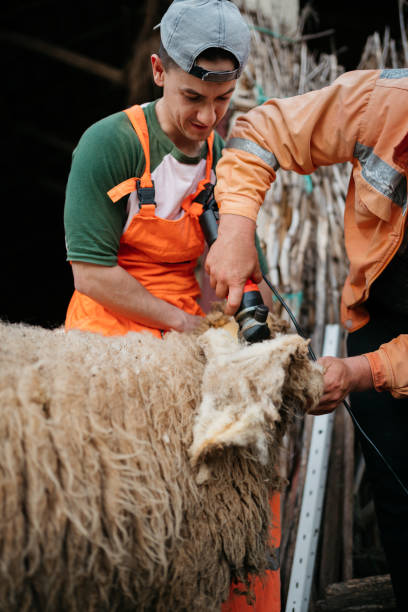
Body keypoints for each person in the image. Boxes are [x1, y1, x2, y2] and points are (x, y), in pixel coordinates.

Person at [63, 0, 280, 610]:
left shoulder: (223, 157)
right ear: (158, 71)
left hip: (187, 330)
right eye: (193, 97)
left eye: (222, 99)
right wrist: (187, 326)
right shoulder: (110, 145)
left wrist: (248, 318)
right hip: (107, 333)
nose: (208, 116)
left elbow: (232, 261)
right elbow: (90, 272)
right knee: (118, 498)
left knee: (229, 483)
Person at [206, 68, 408, 610]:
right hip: (380, 318)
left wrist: (366, 371)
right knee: (398, 500)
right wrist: (236, 230)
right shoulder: (385, 102)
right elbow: (261, 130)